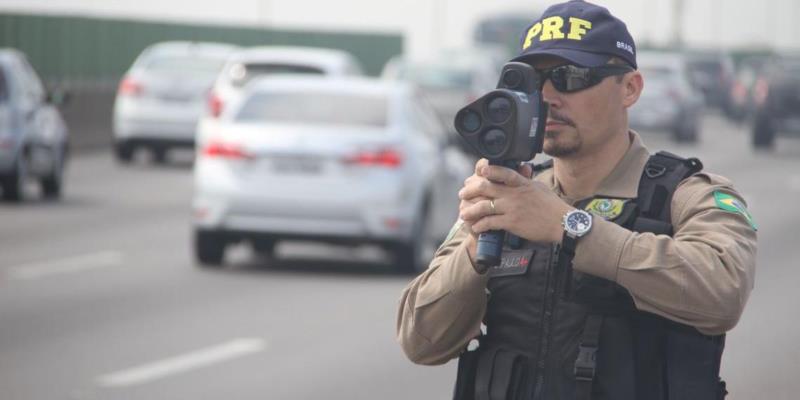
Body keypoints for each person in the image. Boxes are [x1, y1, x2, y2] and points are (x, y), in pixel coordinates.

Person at [395, 1, 757, 399]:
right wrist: (475, 245)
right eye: (534, 80)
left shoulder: (687, 194)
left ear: (630, 88)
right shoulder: (509, 194)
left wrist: (570, 228)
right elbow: (421, 340)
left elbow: (723, 293)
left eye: (570, 77)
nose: (547, 96)